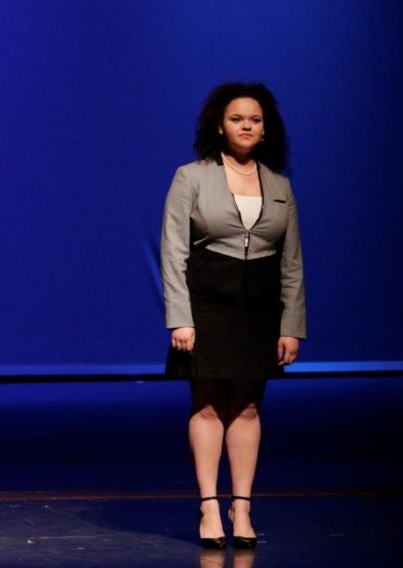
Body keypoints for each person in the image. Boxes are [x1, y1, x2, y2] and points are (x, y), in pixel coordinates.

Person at [160, 84, 306, 550]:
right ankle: (208, 505)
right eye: (238, 118)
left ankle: (241, 507)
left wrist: (291, 326)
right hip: (207, 301)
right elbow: (173, 251)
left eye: (255, 120)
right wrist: (180, 317)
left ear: (266, 131)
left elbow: (292, 263)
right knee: (207, 403)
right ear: (219, 126)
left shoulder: (280, 185)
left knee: (247, 405)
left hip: (260, 306)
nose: (247, 125)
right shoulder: (192, 177)